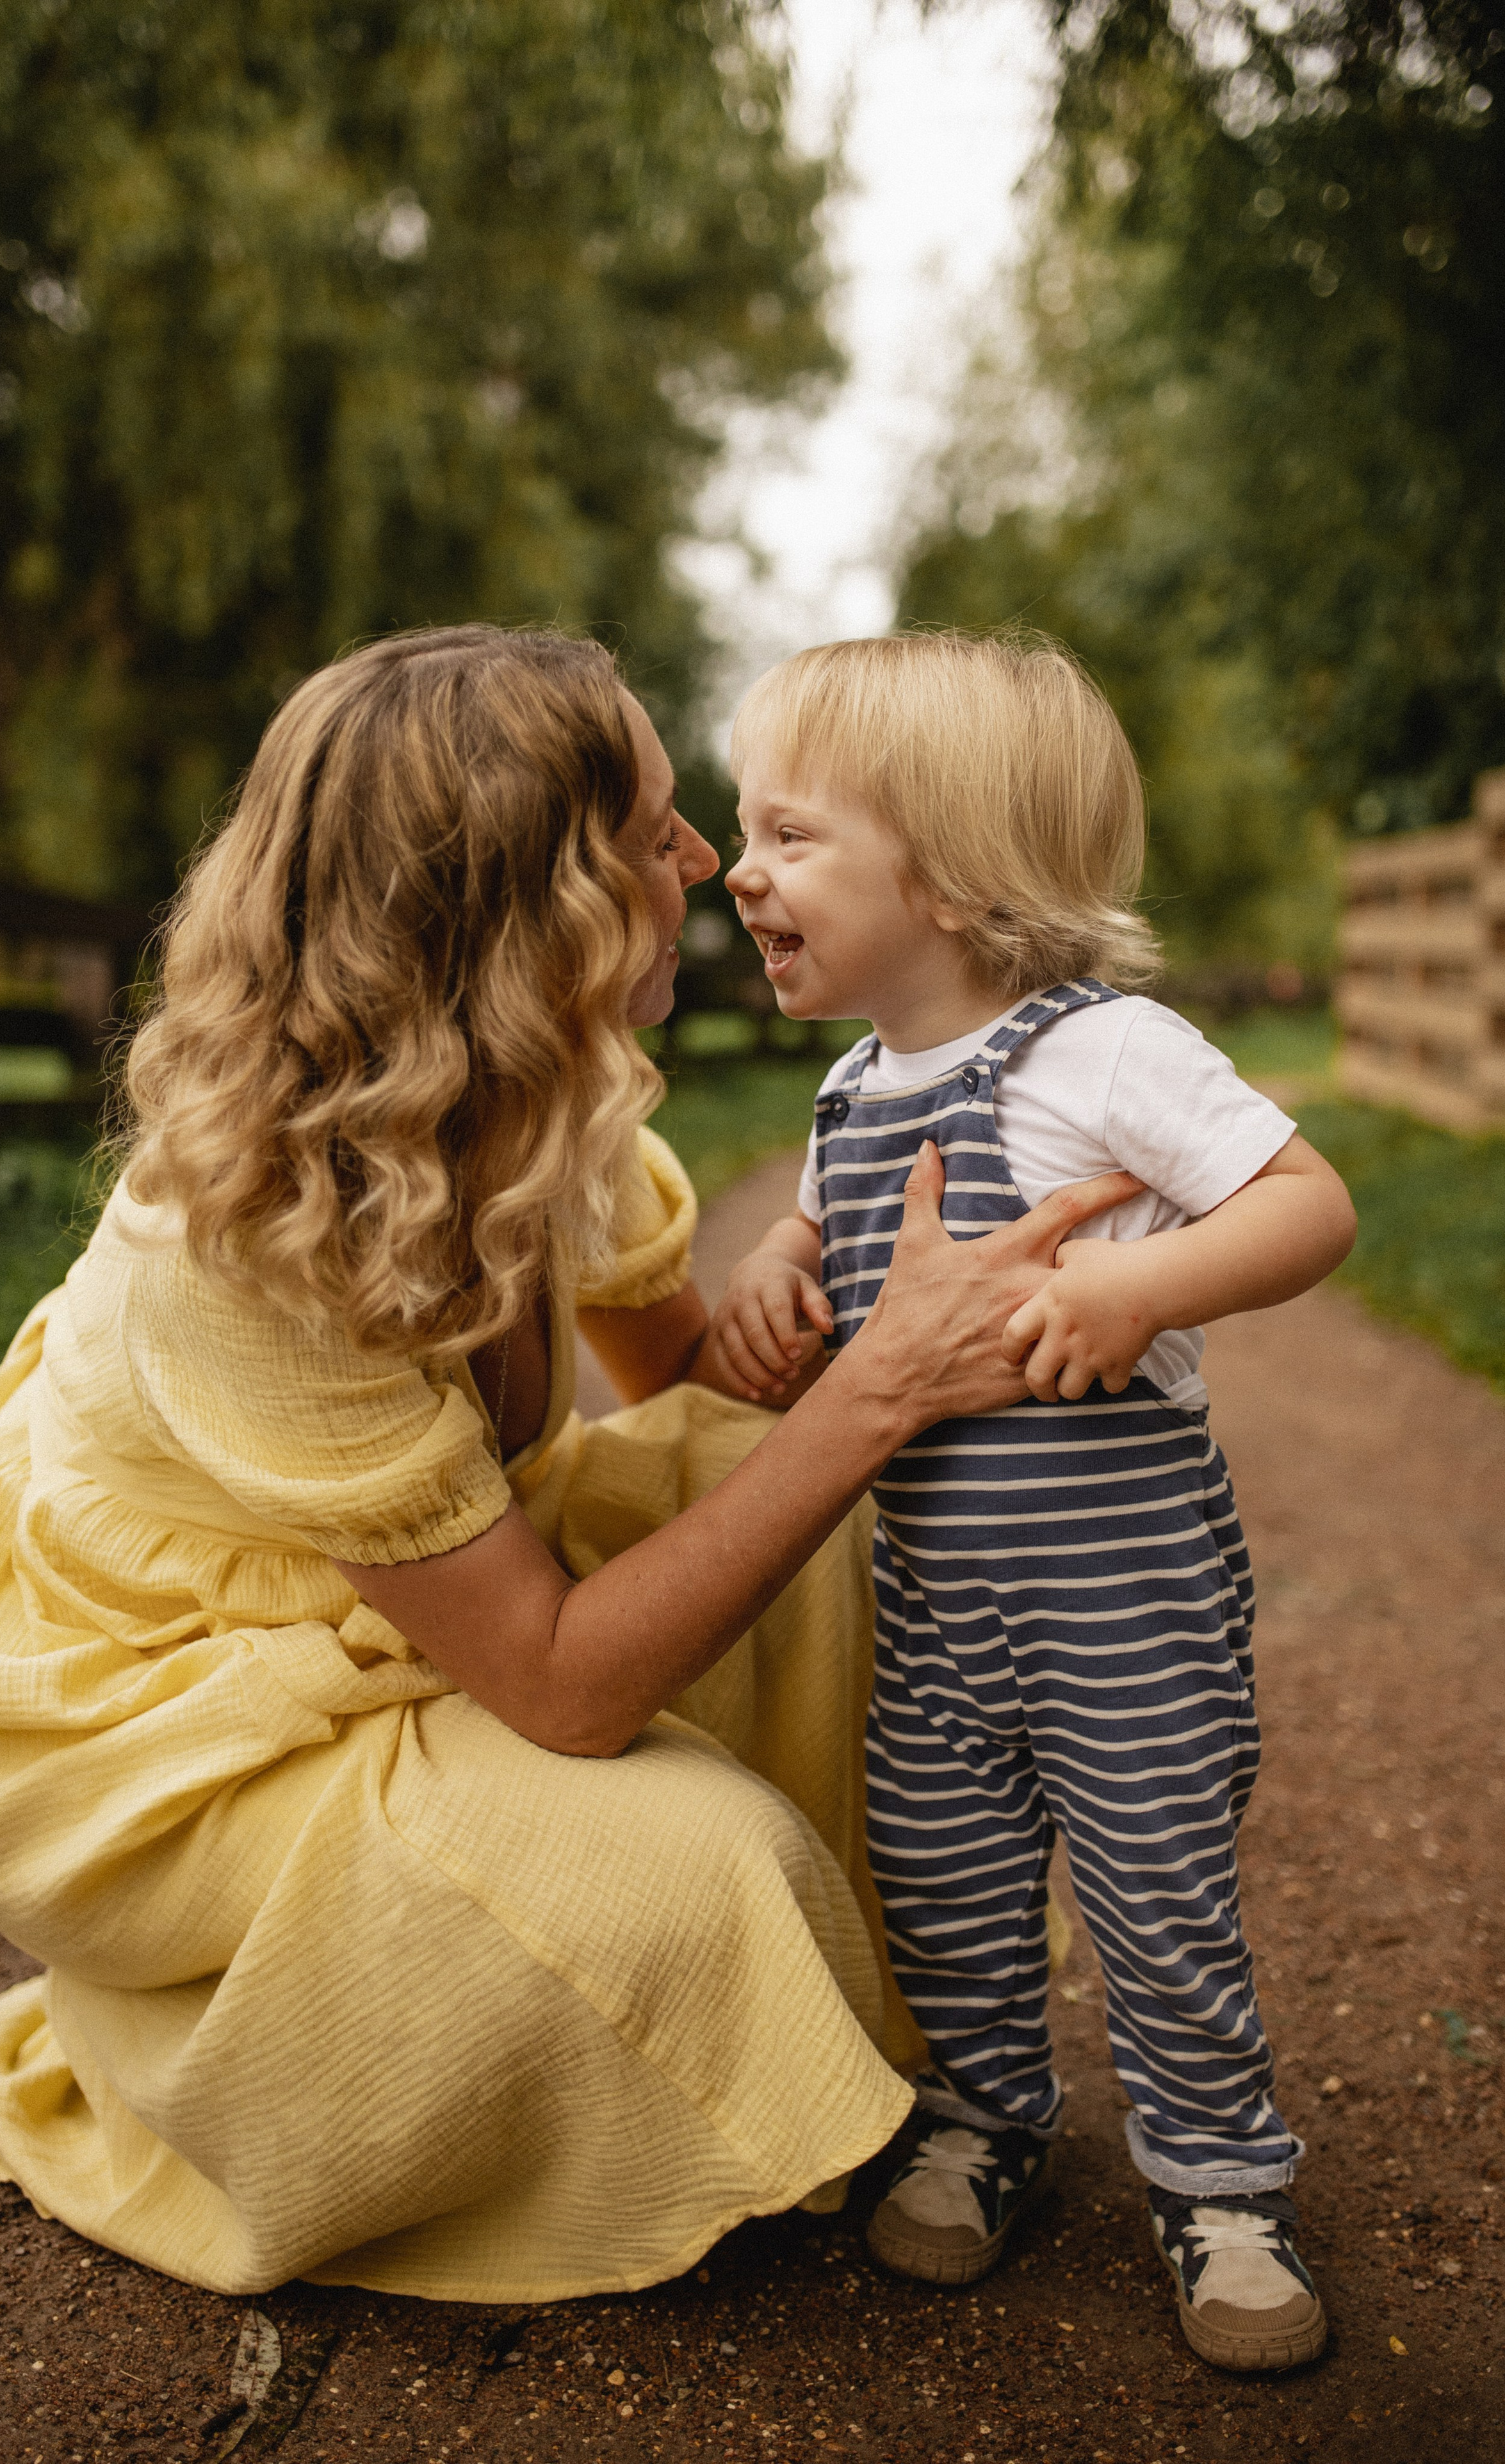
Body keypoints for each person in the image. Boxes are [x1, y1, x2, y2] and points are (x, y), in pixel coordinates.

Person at [0, 624, 1137, 2303]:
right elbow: (560, 1690)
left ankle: (884, 2037)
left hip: (412, 1616)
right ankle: (181, 2046)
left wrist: (812, 1315)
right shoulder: (245, 1248)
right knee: (708, 1875)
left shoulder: (546, 1095)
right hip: (159, 1725)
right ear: (524, 906)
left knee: (843, 1507)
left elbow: (693, 1385)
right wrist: (878, 1393)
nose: (704, 866)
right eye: (653, 838)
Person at [709, 630, 1358, 2374]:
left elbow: (1306, 1205)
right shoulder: (852, 1090)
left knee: (1158, 1897)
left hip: (1126, 1605)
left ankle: (1222, 2187)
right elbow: (842, 1240)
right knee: (944, 1878)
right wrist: (782, 1264)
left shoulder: (1105, 1053)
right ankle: (984, 2118)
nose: (735, 871)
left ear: (943, 868)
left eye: (782, 835)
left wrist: (1143, 1295)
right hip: (940, 1609)